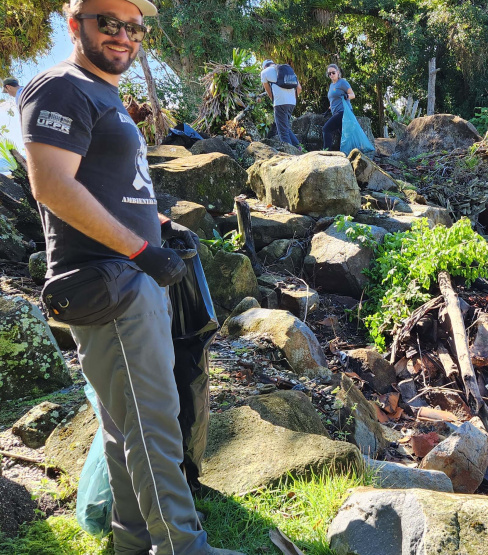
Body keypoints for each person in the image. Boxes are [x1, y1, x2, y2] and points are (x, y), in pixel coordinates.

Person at [19, 1, 243, 554]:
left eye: (134, 27)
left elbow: (113, 187)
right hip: (107, 281)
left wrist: (163, 228)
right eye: (108, 23)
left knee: (128, 427)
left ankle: (133, 542)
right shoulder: (59, 87)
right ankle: (183, 548)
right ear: (75, 24)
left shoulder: (105, 94)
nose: (123, 36)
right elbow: (50, 185)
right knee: (154, 424)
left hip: (131, 274)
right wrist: (143, 251)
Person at [260, 59, 302, 148]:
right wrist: (292, 98)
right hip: (292, 103)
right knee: (285, 127)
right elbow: (299, 88)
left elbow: (268, 91)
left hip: (280, 103)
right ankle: (299, 147)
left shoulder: (265, 72)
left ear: (264, 66)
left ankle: (290, 155)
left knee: (282, 132)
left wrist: (274, 100)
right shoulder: (287, 70)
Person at [322, 63, 355, 150]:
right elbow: (334, 99)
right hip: (336, 112)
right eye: (329, 73)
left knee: (326, 129)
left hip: (344, 112)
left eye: (333, 72)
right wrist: (329, 109)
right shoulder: (331, 85)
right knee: (343, 135)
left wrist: (346, 96)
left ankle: (326, 152)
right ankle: (349, 153)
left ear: (338, 72)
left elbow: (352, 95)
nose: (331, 75)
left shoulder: (342, 82)